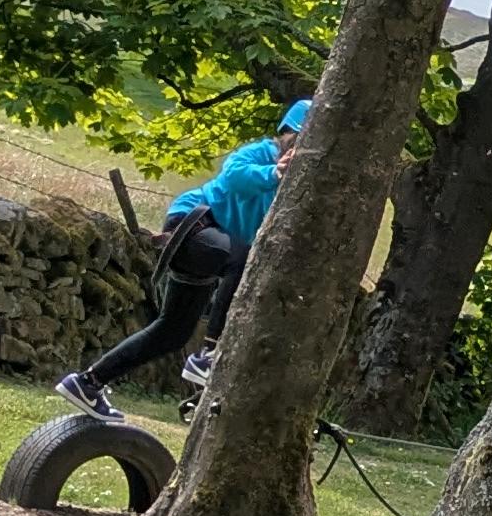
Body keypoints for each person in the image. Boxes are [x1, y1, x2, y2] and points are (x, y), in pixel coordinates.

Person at [60, 99, 310, 417]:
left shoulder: (291, 186)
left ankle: (87, 383)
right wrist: (274, 172)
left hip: (216, 248)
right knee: (244, 258)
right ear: (285, 133)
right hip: (194, 226)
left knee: (174, 330)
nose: (297, 148)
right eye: (296, 138)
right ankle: (210, 353)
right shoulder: (259, 154)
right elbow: (233, 177)